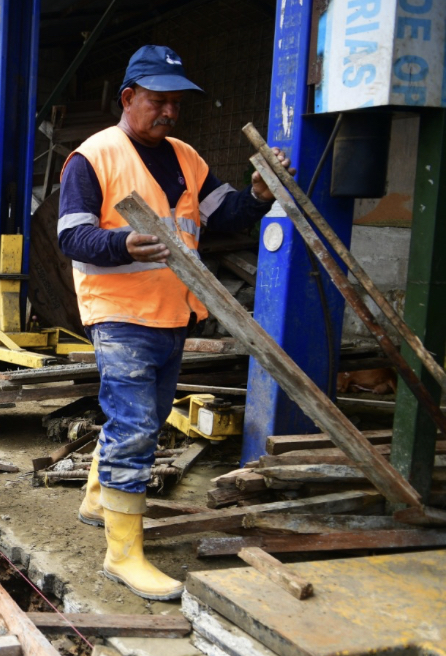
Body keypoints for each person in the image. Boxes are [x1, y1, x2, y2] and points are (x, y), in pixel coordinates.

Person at [58, 45, 293, 601]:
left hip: (171, 309)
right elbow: (72, 234)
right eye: (158, 101)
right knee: (137, 423)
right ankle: (123, 555)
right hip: (118, 311)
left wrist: (256, 196)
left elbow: (221, 214)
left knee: (144, 415)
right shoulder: (92, 157)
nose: (168, 112)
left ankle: (98, 498)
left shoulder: (187, 157)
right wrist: (122, 243)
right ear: (128, 97)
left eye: (176, 103)